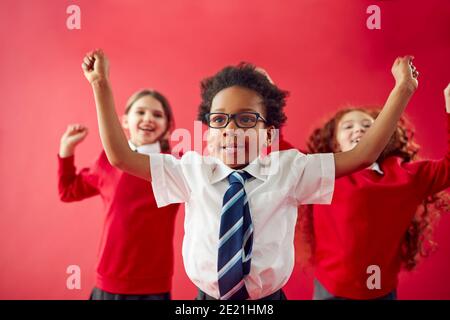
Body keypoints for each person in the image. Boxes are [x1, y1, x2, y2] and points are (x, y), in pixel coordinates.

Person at [81, 49, 418, 300]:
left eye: (246, 120)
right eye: (219, 120)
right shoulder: (192, 171)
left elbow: (363, 155)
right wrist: (100, 85)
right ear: (209, 130)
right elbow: (121, 157)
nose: (231, 130)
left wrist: (402, 89)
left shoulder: (290, 170)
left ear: (269, 131)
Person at [297, 84, 450, 299]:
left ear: (383, 135)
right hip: (330, 289)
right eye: (348, 126)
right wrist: (266, 100)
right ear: (334, 142)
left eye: (368, 125)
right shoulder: (323, 171)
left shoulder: (406, 175)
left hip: (381, 290)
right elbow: (275, 150)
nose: (358, 129)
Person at [58, 88, 180, 300]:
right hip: (108, 283)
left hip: (154, 287)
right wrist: (66, 149)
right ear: (124, 122)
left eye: (157, 114)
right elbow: (68, 191)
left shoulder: (176, 166)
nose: (148, 118)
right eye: (140, 112)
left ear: (168, 128)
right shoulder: (106, 162)